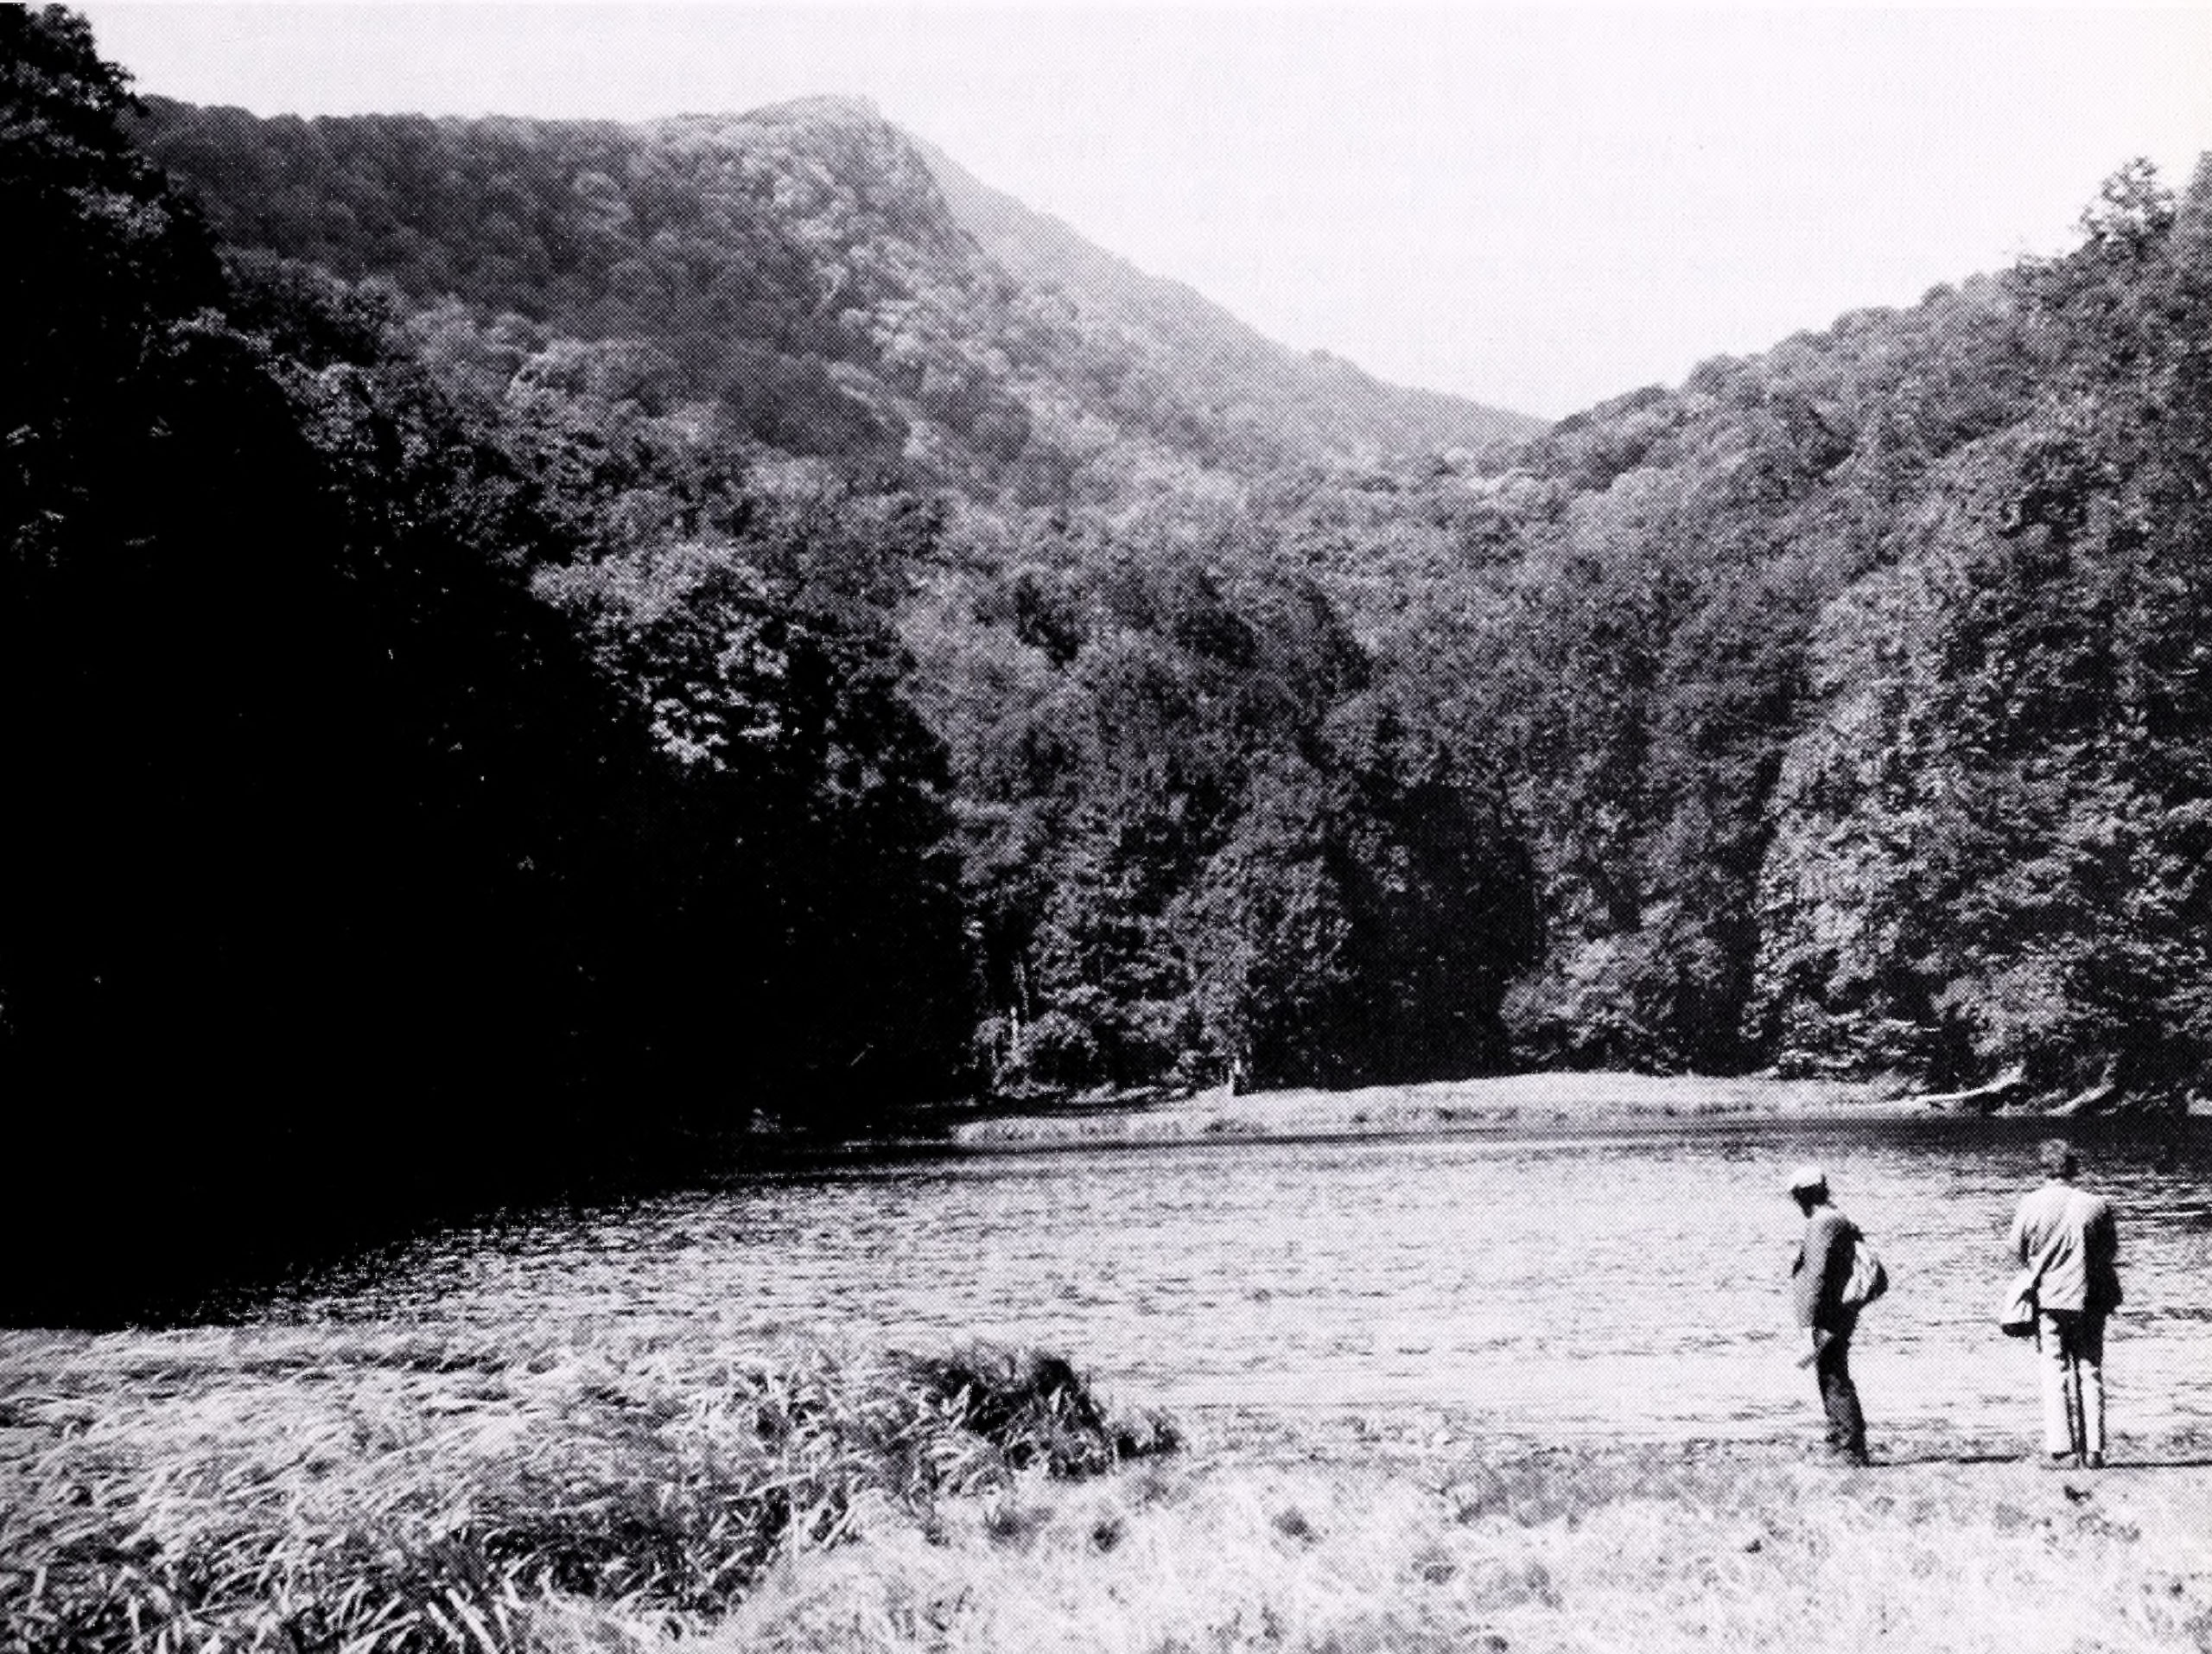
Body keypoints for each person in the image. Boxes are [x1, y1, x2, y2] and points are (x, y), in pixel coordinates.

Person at [2009, 1138, 2122, 1469]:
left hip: (2049, 1298)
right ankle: (2095, 1450)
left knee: (2054, 1370)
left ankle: (2063, 1448)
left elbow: (2015, 1249)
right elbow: (2110, 1251)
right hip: (2090, 1298)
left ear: (2044, 1168)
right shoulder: (2097, 1204)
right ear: (2073, 1167)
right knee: (2090, 1370)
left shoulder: (2030, 1203)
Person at [1787, 1165, 1871, 1465]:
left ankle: (1849, 1448)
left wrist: (1808, 1325)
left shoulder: (1821, 1222)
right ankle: (1841, 1441)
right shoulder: (1836, 1217)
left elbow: (1818, 1277)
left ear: (1802, 1196)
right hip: (1839, 1312)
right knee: (1832, 1374)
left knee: (1834, 1377)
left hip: (1829, 1313)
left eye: (1795, 1197)